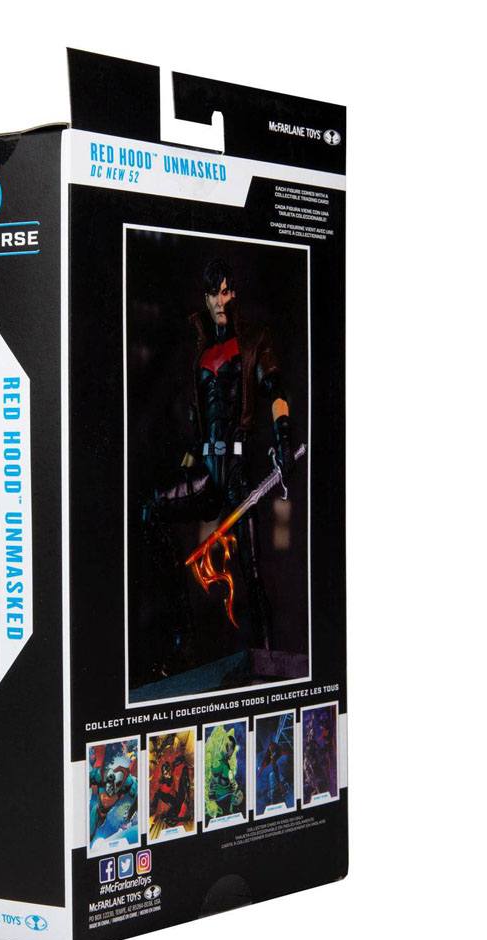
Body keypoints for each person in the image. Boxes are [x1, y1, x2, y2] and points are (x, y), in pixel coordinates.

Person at [142, 258, 297, 666]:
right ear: (206, 298)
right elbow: (196, 418)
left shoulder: (254, 340)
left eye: (226, 291)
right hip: (207, 470)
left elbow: (275, 391)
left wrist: (282, 437)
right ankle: (183, 631)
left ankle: (267, 652)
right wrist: (189, 455)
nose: (219, 300)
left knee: (252, 566)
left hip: (239, 471)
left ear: (234, 294)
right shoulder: (199, 351)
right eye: (213, 293)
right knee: (151, 510)